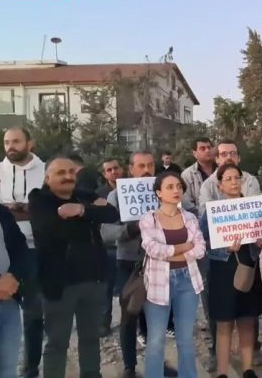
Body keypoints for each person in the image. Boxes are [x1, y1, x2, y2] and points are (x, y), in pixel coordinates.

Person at [29, 156, 120, 378]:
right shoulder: (39, 199)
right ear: (47, 177)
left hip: (93, 278)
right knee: (57, 342)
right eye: (61, 173)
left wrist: (80, 210)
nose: (68, 177)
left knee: (90, 338)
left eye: (71, 172)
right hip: (60, 283)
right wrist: (89, 214)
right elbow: (56, 229)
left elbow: (112, 213)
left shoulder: (83, 195)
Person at [102, 151, 177, 378]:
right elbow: (106, 232)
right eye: (140, 166)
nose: (146, 170)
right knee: (129, 316)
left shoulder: (165, 193)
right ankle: (129, 367)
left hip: (158, 262)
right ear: (131, 169)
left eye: (150, 165)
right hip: (129, 263)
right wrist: (131, 228)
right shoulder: (116, 197)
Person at [200, 163, 262, 378]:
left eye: (237, 177)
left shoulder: (253, 207)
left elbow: (261, 232)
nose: (234, 182)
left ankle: (248, 369)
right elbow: (202, 242)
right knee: (224, 323)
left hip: (248, 265)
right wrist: (223, 247)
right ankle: (222, 372)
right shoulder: (212, 212)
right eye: (228, 179)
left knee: (247, 319)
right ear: (219, 185)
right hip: (222, 269)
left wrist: (259, 242)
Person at [140, 171, 206, 378]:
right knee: (156, 339)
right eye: (170, 187)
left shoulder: (189, 217)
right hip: (158, 283)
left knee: (185, 337)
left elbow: (200, 248)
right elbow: (152, 248)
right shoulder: (148, 219)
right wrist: (183, 248)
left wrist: (171, 253)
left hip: (187, 280)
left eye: (178, 186)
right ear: (158, 192)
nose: (176, 190)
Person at [0, 127, 45, 378]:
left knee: (34, 313)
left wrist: (22, 209)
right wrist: (24, 209)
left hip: (36, 250)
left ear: (29, 143)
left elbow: (46, 209)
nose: (10, 146)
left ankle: (30, 369)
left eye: (15, 141)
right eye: (6, 142)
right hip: (1, 251)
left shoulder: (45, 171)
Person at [0, 152, 31, 378]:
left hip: (6, 303)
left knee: (4, 370)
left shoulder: (1, 212)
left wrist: (13, 277)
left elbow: (21, 249)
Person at [96, 158, 125, 337]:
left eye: (116, 168)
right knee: (106, 287)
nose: (113, 172)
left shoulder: (133, 188)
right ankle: (103, 322)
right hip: (108, 247)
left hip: (129, 244)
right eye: (109, 170)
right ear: (104, 174)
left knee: (127, 288)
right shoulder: (99, 194)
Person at [198, 140, 261, 215]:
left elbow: (256, 212)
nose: (229, 157)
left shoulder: (251, 181)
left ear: (239, 158)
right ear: (217, 159)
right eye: (224, 154)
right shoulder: (207, 185)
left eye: (233, 153)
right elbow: (206, 216)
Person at [181, 137, 216, 216]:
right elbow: (187, 204)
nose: (207, 150)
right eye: (202, 148)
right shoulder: (187, 175)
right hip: (199, 220)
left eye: (209, 148)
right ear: (195, 154)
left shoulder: (222, 171)